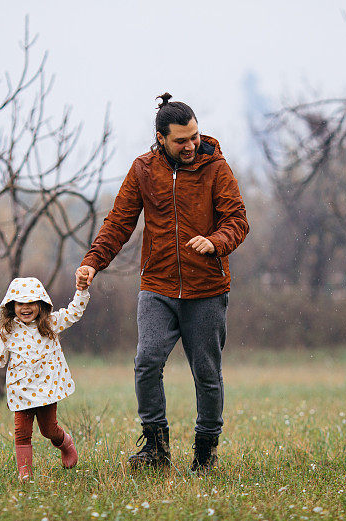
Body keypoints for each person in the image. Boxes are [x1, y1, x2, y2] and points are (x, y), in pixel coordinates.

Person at [75, 93, 249, 473]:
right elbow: (119, 222)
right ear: (160, 138)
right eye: (181, 140)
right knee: (147, 361)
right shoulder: (142, 170)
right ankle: (155, 448)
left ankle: (205, 452)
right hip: (157, 287)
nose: (191, 146)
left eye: (195, 137)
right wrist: (93, 262)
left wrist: (215, 242)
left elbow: (237, 220)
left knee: (206, 372)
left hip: (206, 289)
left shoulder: (216, 168)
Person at [0, 277, 89, 480]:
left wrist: (81, 291)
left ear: (41, 304)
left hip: (46, 389)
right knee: (21, 432)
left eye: (31, 303)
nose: (26, 308)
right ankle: (25, 474)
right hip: (20, 390)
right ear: (12, 305)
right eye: (20, 303)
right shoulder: (8, 330)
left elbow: (74, 313)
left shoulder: (50, 323)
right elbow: (0, 356)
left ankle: (66, 444)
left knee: (48, 430)